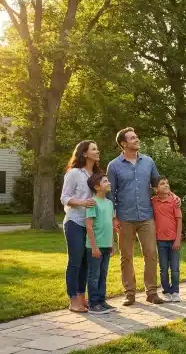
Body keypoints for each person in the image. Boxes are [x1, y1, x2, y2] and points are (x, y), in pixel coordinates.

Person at [107, 127, 175, 305]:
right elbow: (110, 194)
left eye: (136, 137)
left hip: (146, 216)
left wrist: (172, 195)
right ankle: (130, 293)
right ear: (123, 143)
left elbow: (158, 184)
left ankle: (151, 292)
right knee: (126, 256)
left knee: (151, 254)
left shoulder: (148, 162)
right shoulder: (113, 166)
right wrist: (113, 217)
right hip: (124, 218)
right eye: (132, 138)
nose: (137, 140)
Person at [60, 140, 101, 313]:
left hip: (91, 225)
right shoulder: (74, 173)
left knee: (86, 262)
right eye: (94, 149)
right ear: (84, 153)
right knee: (75, 261)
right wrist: (83, 203)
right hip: (74, 222)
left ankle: (81, 298)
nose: (98, 151)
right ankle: (73, 300)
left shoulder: (97, 174)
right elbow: (64, 198)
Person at [85, 172, 116, 314]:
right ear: (97, 187)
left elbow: (110, 225)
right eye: (105, 181)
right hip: (95, 247)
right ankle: (93, 304)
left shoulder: (109, 203)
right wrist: (94, 246)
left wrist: (112, 244)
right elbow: (89, 226)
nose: (109, 183)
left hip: (106, 246)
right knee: (94, 275)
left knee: (103, 274)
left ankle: (102, 301)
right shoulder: (92, 203)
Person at [152, 177, 183, 302]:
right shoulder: (153, 201)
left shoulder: (174, 202)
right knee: (163, 268)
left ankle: (175, 291)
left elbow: (179, 221)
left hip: (173, 240)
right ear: (155, 189)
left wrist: (177, 239)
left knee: (175, 268)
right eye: (162, 184)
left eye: (167, 183)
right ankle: (166, 291)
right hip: (160, 241)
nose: (166, 185)